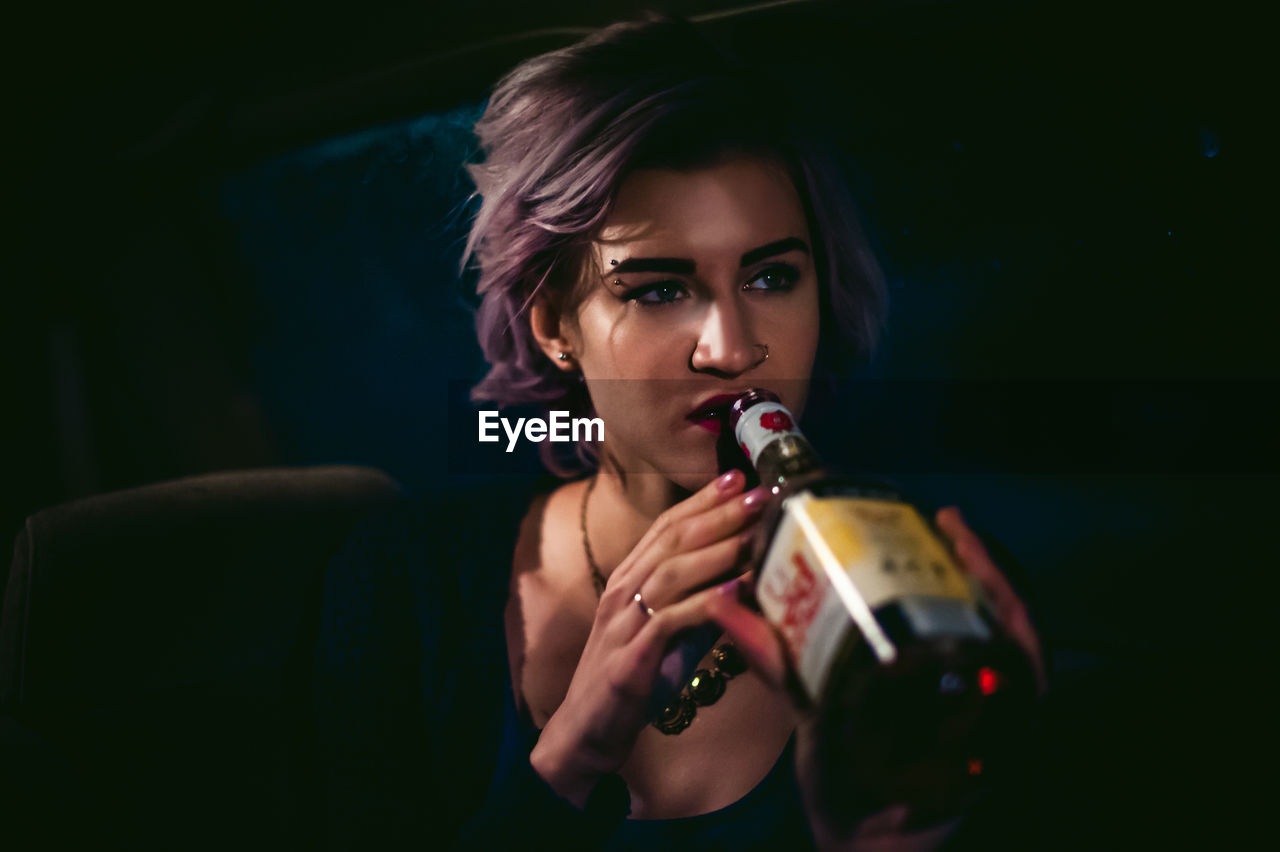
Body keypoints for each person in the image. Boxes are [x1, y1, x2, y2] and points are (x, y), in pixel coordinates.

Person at [315, 16, 1044, 851]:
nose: (733, 350)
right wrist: (564, 764)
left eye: (772, 276)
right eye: (659, 290)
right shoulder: (402, 587)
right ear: (554, 321)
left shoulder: (938, 592)